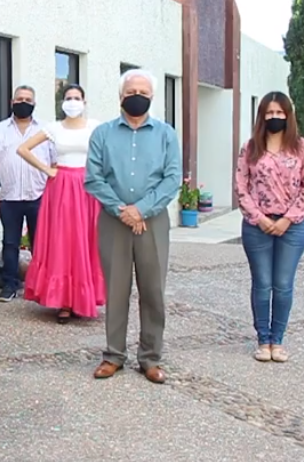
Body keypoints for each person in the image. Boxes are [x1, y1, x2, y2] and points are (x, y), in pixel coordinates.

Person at [85, 68, 180, 385]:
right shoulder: (103, 134)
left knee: (153, 289)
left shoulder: (166, 134)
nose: (136, 97)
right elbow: (94, 179)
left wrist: (141, 210)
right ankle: (113, 355)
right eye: (130, 92)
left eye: (142, 92)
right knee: (116, 289)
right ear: (120, 96)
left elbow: (172, 179)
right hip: (114, 222)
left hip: (153, 222)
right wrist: (121, 210)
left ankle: (150, 358)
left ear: (151, 97)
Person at [234, 91, 304, 363]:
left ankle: (277, 341)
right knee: (262, 283)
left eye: (280, 113)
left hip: (291, 226)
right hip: (257, 225)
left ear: (288, 115)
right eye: (269, 113)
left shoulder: (302, 147)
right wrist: (260, 218)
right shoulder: (250, 148)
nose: (274, 117)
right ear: (262, 116)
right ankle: (263, 340)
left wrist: (286, 219)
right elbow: (241, 187)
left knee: (282, 284)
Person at [18, 84, 105, 324]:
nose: (73, 102)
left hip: (87, 186)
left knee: (86, 240)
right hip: (61, 186)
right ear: (62, 102)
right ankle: (64, 302)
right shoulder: (53, 128)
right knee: (63, 241)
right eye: (68, 98)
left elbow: (107, 153)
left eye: (77, 98)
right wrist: (46, 169)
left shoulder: (96, 127)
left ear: (85, 102)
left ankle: (83, 297)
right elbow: (23, 148)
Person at [0, 86, 56, 302]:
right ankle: (9, 285)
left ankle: (42, 286)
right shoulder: (0, 130)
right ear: (11, 102)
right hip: (10, 197)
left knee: (40, 244)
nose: (23, 102)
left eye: (28, 99)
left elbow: (55, 164)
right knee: (10, 243)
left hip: (39, 196)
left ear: (34, 103)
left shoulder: (45, 131)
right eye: (19, 99)